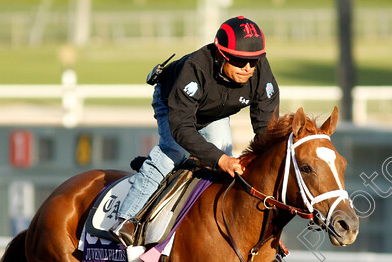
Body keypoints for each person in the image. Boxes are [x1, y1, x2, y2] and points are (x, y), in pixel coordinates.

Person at [109, 15, 280, 246]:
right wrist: (221, 159)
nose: (248, 68)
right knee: (174, 153)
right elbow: (181, 129)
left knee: (222, 164)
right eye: (239, 61)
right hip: (174, 103)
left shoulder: (260, 73)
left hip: (214, 113)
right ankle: (127, 218)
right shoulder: (195, 68)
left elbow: (266, 132)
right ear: (222, 55)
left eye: (254, 61)